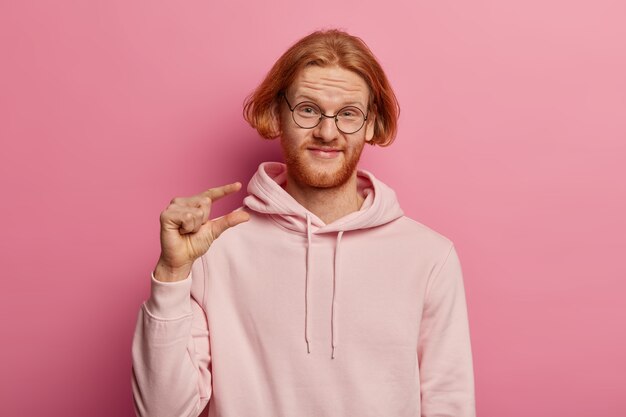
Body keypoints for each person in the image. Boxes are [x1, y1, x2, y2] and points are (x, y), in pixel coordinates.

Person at [131, 29, 476, 417]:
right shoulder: (215, 248)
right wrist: (172, 273)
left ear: (371, 123)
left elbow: (450, 404)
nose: (327, 132)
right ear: (278, 114)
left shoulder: (429, 256)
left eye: (348, 113)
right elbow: (162, 412)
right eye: (308, 109)